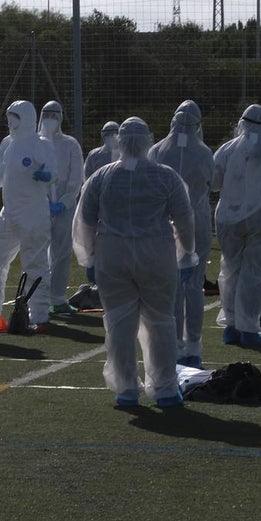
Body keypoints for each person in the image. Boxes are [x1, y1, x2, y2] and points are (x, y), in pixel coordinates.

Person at [73, 117, 196, 407]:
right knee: (161, 322)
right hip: (156, 256)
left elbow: (85, 221)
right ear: (148, 141)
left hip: (113, 256)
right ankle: (165, 389)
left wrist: (89, 257)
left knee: (119, 324)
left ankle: (126, 388)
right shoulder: (165, 177)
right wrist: (187, 254)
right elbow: (184, 221)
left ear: (119, 141)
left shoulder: (102, 177)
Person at [212, 104, 261, 347]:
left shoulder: (225, 150)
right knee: (254, 272)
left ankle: (231, 326)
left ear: (242, 122)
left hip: (227, 217)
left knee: (230, 270)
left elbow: (214, 183)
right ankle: (248, 328)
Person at [0, 100, 55, 334]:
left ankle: (39, 312)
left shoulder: (41, 144)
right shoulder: (7, 143)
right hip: (8, 212)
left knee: (35, 264)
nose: (10, 122)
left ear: (26, 118)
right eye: (9, 117)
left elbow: (53, 172)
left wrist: (46, 175)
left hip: (33, 212)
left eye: (15, 117)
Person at [148, 100, 215, 368]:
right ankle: (193, 346)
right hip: (197, 223)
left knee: (172, 288)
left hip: (169, 224)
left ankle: (175, 345)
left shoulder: (157, 151)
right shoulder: (204, 153)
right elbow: (213, 182)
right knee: (194, 287)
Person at [37, 100, 85, 317]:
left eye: (54, 116)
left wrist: (63, 203)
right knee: (37, 253)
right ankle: (38, 299)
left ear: (61, 118)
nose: (50, 119)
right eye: (46, 115)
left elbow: (76, 178)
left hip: (63, 209)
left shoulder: (70, 144)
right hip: (38, 207)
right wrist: (41, 202)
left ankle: (57, 298)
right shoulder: (34, 143)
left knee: (62, 253)